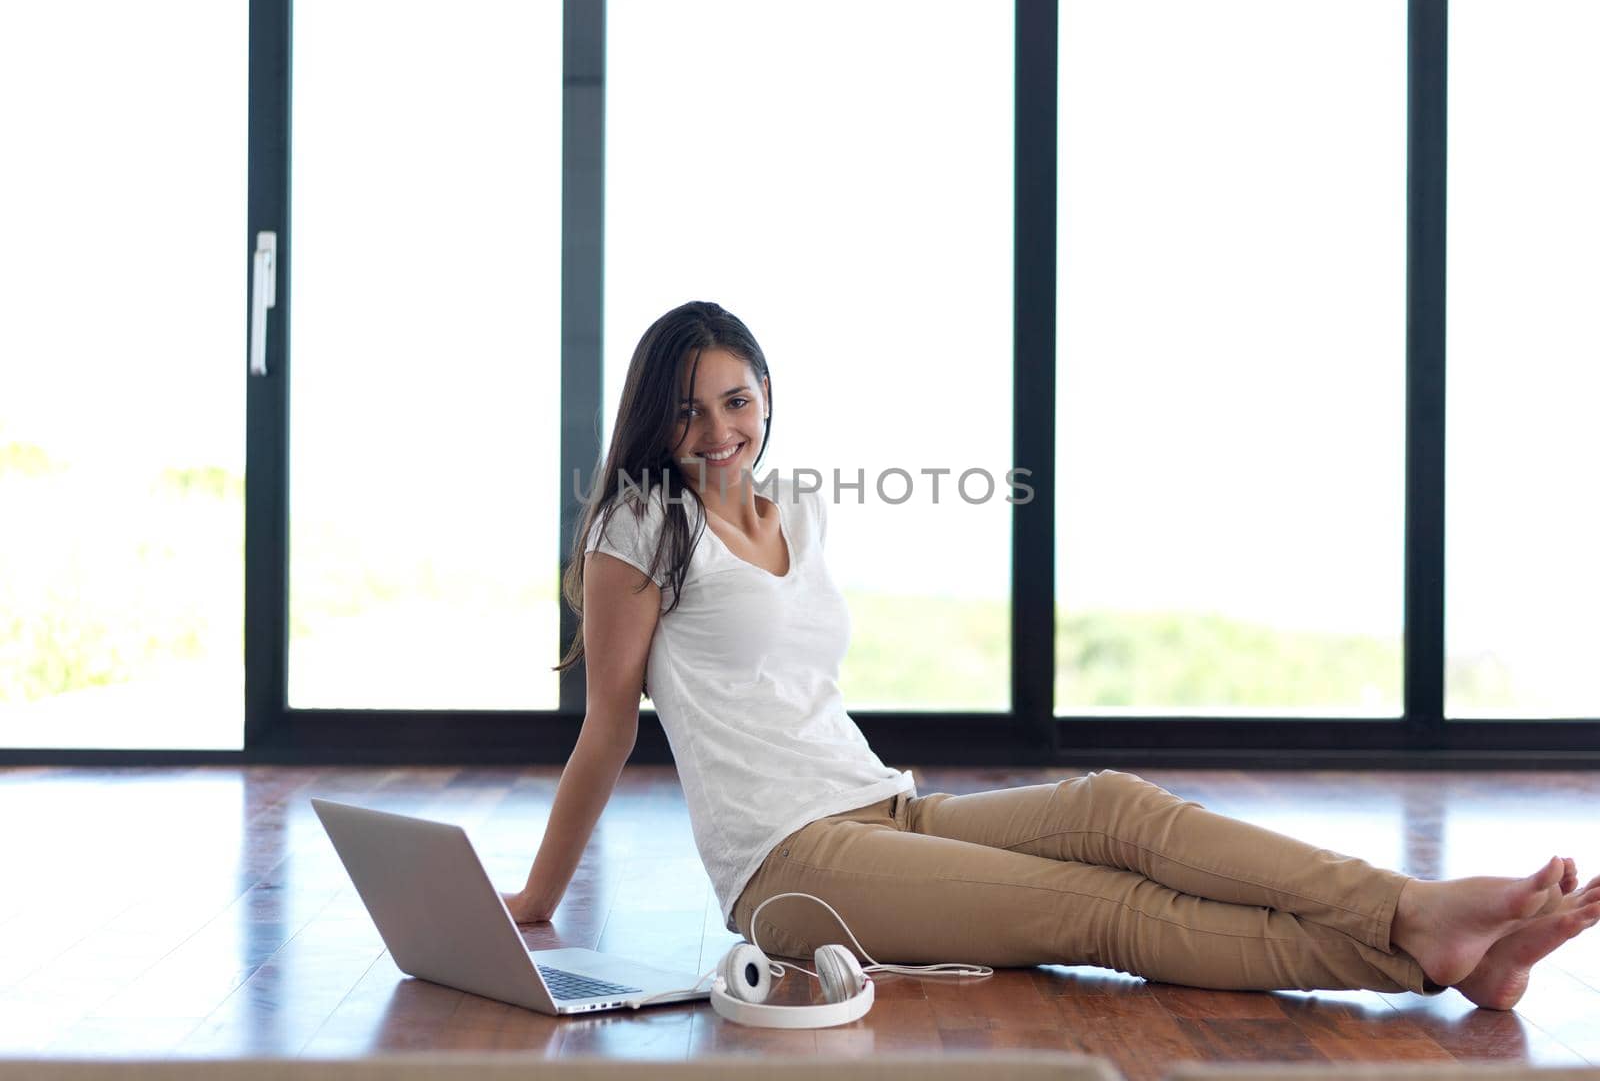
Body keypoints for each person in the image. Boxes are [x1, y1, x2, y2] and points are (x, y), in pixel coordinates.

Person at [501, 300, 1600, 1012]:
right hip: (788, 868)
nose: (719, 430)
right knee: (1090, 907)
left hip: (882, 808)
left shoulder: (800, 506)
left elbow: (799, 689)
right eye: (690, 412)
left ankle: (1416, 916)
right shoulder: (639, 527)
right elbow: (607, 729)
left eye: (737, 400)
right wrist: (539, 898)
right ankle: (1414, 949)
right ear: (657, 421)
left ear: (767, 395)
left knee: (1116, 809)